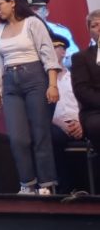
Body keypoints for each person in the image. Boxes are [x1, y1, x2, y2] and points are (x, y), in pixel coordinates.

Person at [0, 0, 60, 195]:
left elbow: (48, 54)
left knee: (40, 134)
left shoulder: (33, 23)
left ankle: (47, 184)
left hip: (35, 79)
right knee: (18, 138)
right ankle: (27, 183)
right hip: (11, 84)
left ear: (12, 2)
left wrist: (52, 84)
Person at [49, 34, 85, 192]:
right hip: (55, 124)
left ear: (63, 51)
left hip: (80, 122)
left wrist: (81, 123)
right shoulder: (42, 80)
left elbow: (86, 103)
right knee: (51, 138)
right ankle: (65, 190)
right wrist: (59, 124)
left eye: (53, 48)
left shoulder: (76, 77)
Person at [70, 11, 100, 155]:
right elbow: (82, 91)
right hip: (95, 111)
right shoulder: (81, 57)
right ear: (90, 31)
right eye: (95, 25)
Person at [22, 0, 79, 68]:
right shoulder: (18, 33)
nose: (31, 13)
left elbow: (74, 57)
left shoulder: (60, 31)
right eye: (27, 10)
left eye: (35, 9)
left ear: (46, 12)